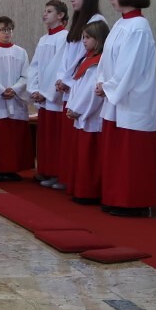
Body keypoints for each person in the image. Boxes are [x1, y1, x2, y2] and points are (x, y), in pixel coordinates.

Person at [96, 0, 156, 216]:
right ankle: (115, 198)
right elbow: (106, 60)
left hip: (133, 101)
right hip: (117, 97)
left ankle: (133, 203)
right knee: (116, 155)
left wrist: (108, 87)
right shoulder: (121, 24)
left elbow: (130, 67)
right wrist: (101, 82)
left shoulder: (138, 27)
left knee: (131, 156)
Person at [54, 0, 106, 193]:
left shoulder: (96, 21)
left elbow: (85, 57)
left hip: (79, 84)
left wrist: (67, 80)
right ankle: (69, 178)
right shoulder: (78, 21)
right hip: (71, 84)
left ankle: (77, 182)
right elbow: (67, 54)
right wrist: (61, 78)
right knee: (70, 140)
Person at [65, 20, 109, 204]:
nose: (84, 40)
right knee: (81, 156)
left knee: (90, 157)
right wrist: (71, 106)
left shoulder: (99, 63)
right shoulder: (86, 59)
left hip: (91, 116)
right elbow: (77, 87)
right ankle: (80, 189)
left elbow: (92, 92)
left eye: (88, 37)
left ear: (99, 39)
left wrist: (78, 109)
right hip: (80, 114)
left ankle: (89, 192)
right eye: (83, 37)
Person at [27, 0, 68, 188]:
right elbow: (35, 66)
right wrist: (34, 89)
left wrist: (46, 92)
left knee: (57, 138)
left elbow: (60, 69)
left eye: (49, 11)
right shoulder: (44, 39)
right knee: (46, 138)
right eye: (44, 11)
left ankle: (58, 174)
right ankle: (46, 170)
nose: (45, 14)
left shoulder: (64, 37)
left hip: (55, 98)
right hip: (43, 97)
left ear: (60, 15)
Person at [0, 17, 33, 181]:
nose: (6, 33)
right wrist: (1, 90)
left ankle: (12, 168)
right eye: (3, 30)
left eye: (9, 30)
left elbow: (26, 75)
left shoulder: (20, 52)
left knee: (14, 137)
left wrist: (14, 89)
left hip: (15, 98)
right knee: (0, 137)